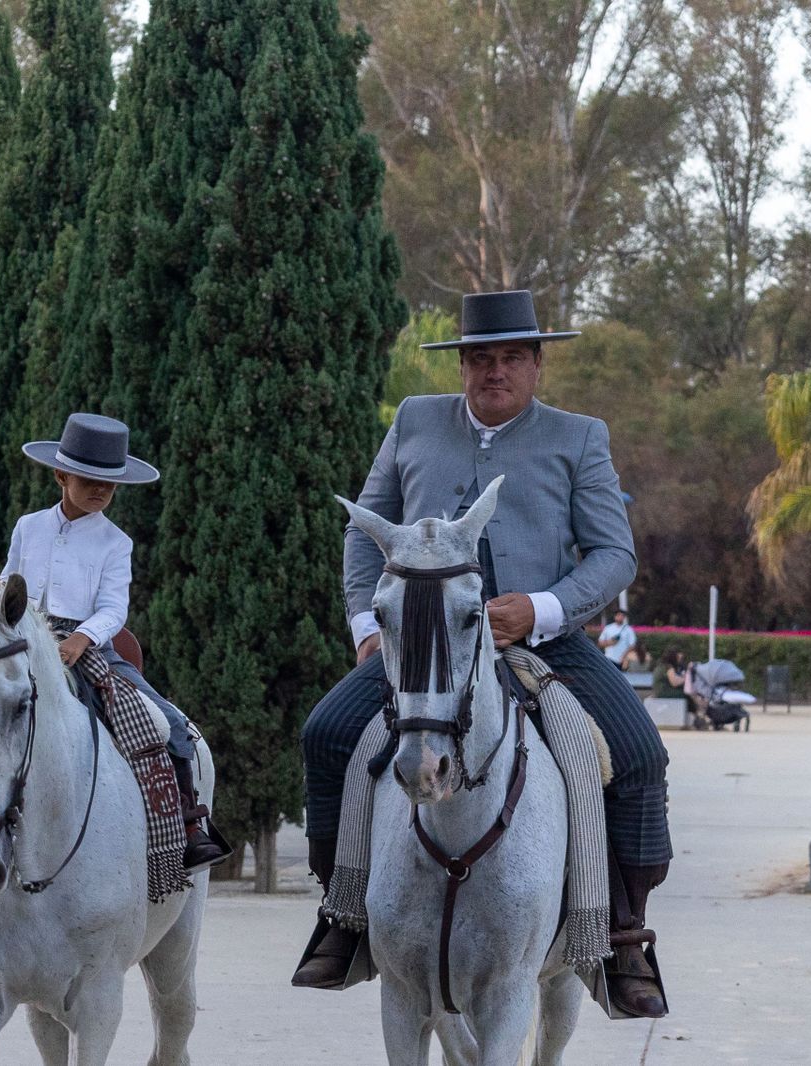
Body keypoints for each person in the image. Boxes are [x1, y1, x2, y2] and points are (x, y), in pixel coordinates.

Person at [296, 290, 671, 1018]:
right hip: (424, 646)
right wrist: (367, 630)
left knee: (640, 756)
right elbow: (363, 533)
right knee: (327, 734)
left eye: (509, 358)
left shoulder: (579, 436)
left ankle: (622, 933)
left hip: (544, 643)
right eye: (479, 358)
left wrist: (541, 607)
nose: (493, 371)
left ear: (535, 364)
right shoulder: (413, 421)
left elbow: (614, 554)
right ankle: (342, 917)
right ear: (462, 364)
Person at [2, 413, 227, 869]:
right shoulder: (28, 527)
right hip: (23, 639)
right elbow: (8, 583)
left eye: (110, 483)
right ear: (61, 475)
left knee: (168, 725)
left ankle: (186, 824)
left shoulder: (115, 542)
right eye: (88, 479)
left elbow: (113, 609)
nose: (100, 490)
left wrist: (82, 638)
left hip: (89, 647)